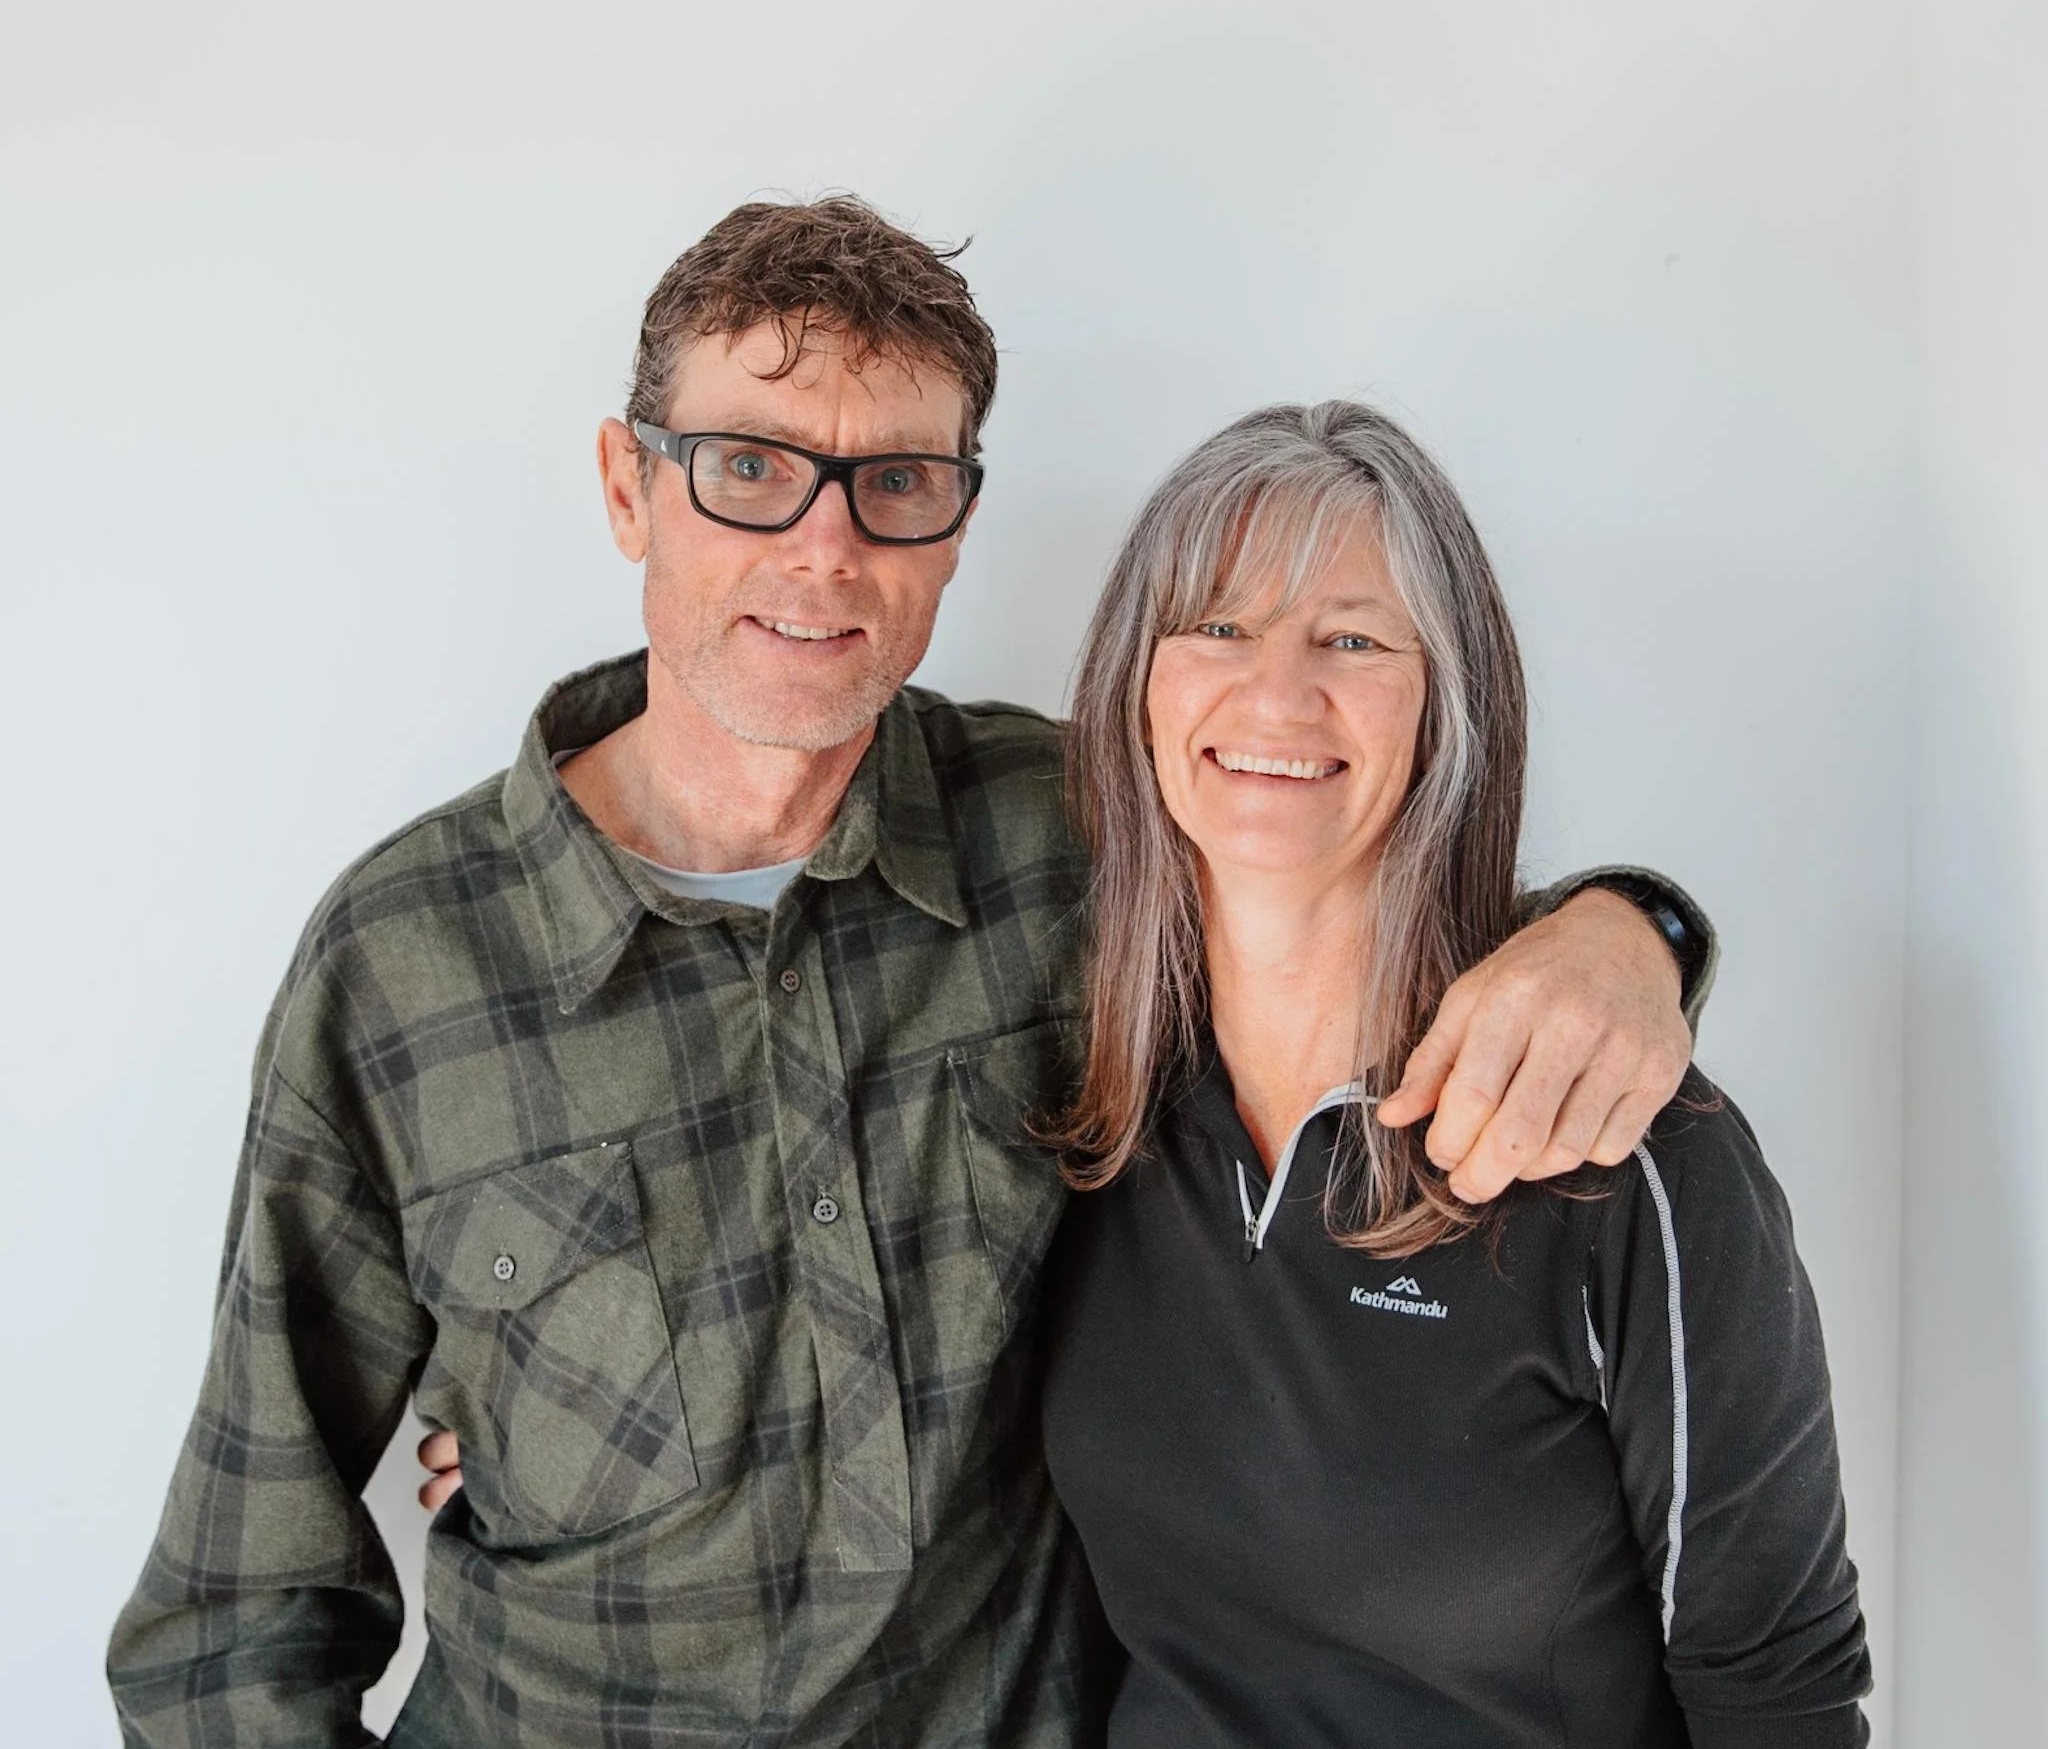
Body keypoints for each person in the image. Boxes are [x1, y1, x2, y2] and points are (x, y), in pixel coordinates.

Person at [109, 198, 1712, 1747]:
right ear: (626, 488)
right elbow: (240, 1617)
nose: (826, 549)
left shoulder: (1083, 840)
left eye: (895, 483)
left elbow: (1366, 877)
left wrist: (1635, 926)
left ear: (957, 524)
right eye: (749, 468)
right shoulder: (405, 968)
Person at [1038, 401, 1869, 1746]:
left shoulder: (1622, 1152)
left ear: (1448, 706)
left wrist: (1637, 931)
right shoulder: (1092, 1115)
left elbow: (1779, 1686)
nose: (1276, 694)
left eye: (1354, 639)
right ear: (1139, 684)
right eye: (1218, 626)